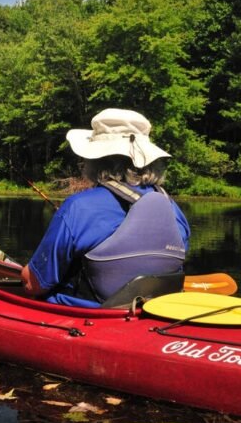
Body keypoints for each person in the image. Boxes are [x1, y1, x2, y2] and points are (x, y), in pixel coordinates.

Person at [20, 108, 190, 307]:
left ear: (96, 160)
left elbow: (34, 284)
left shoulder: (78, 207)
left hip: (84, 319)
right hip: (151, 316)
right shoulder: (172, 210)